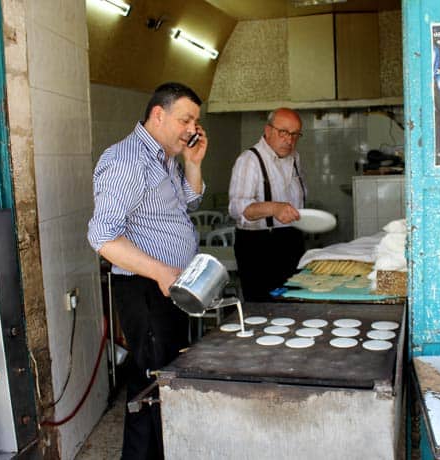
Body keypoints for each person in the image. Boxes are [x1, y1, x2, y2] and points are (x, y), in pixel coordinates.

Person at [87, 82, 207, 459]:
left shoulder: (163, 157)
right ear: (158, 115)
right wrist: (159, 272)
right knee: (153, 386)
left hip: (167, 287)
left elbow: (189, 199)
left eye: (195, 122)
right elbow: (102, 237)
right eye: (185, 119)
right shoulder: (127, 160)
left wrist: (194, 164)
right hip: (145, 288)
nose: (192, 129)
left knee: (159, 381)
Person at [228, 108, 307, 301]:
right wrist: (273, 208)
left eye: (295, 134)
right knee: (263, 309)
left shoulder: (295, 158)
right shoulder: (249, 161)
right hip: (259, 248)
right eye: (284, 132)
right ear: (268, 130)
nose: (290, 140)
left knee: (293, 303)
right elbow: (237, 208)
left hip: (292, 240)